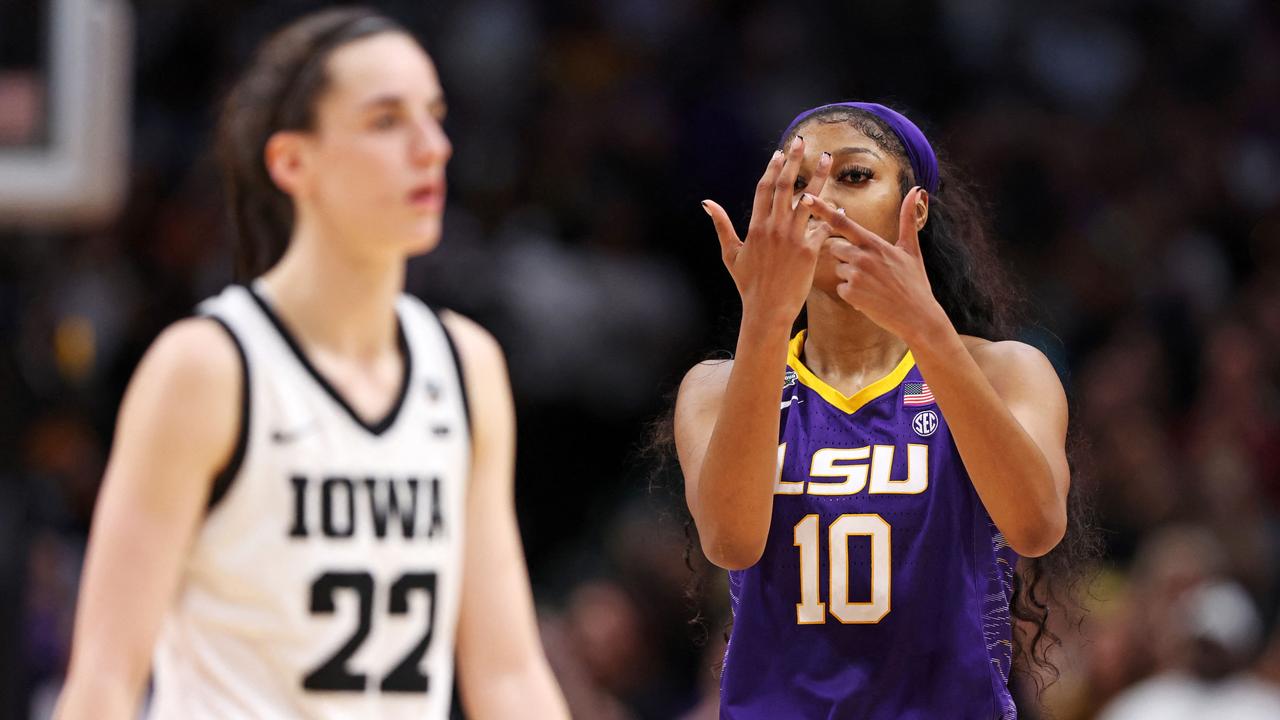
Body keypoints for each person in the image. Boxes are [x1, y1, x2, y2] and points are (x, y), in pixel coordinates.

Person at [54, 9, 568, 719]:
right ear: (293, 161)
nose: (433, 147)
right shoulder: (207, 369)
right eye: (387, 121)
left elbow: (507, 673)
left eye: (435, 116)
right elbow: (106, 680)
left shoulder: (465, 365)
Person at [674, 102, 1073, 718]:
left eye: (853, 176)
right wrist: (765, 318)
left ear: (914, 207)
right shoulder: (716, 387)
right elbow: (731, 542)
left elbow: (1037, 526)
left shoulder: (1006, 370)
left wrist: (925, 328)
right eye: (798, 182)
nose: (821, 201)